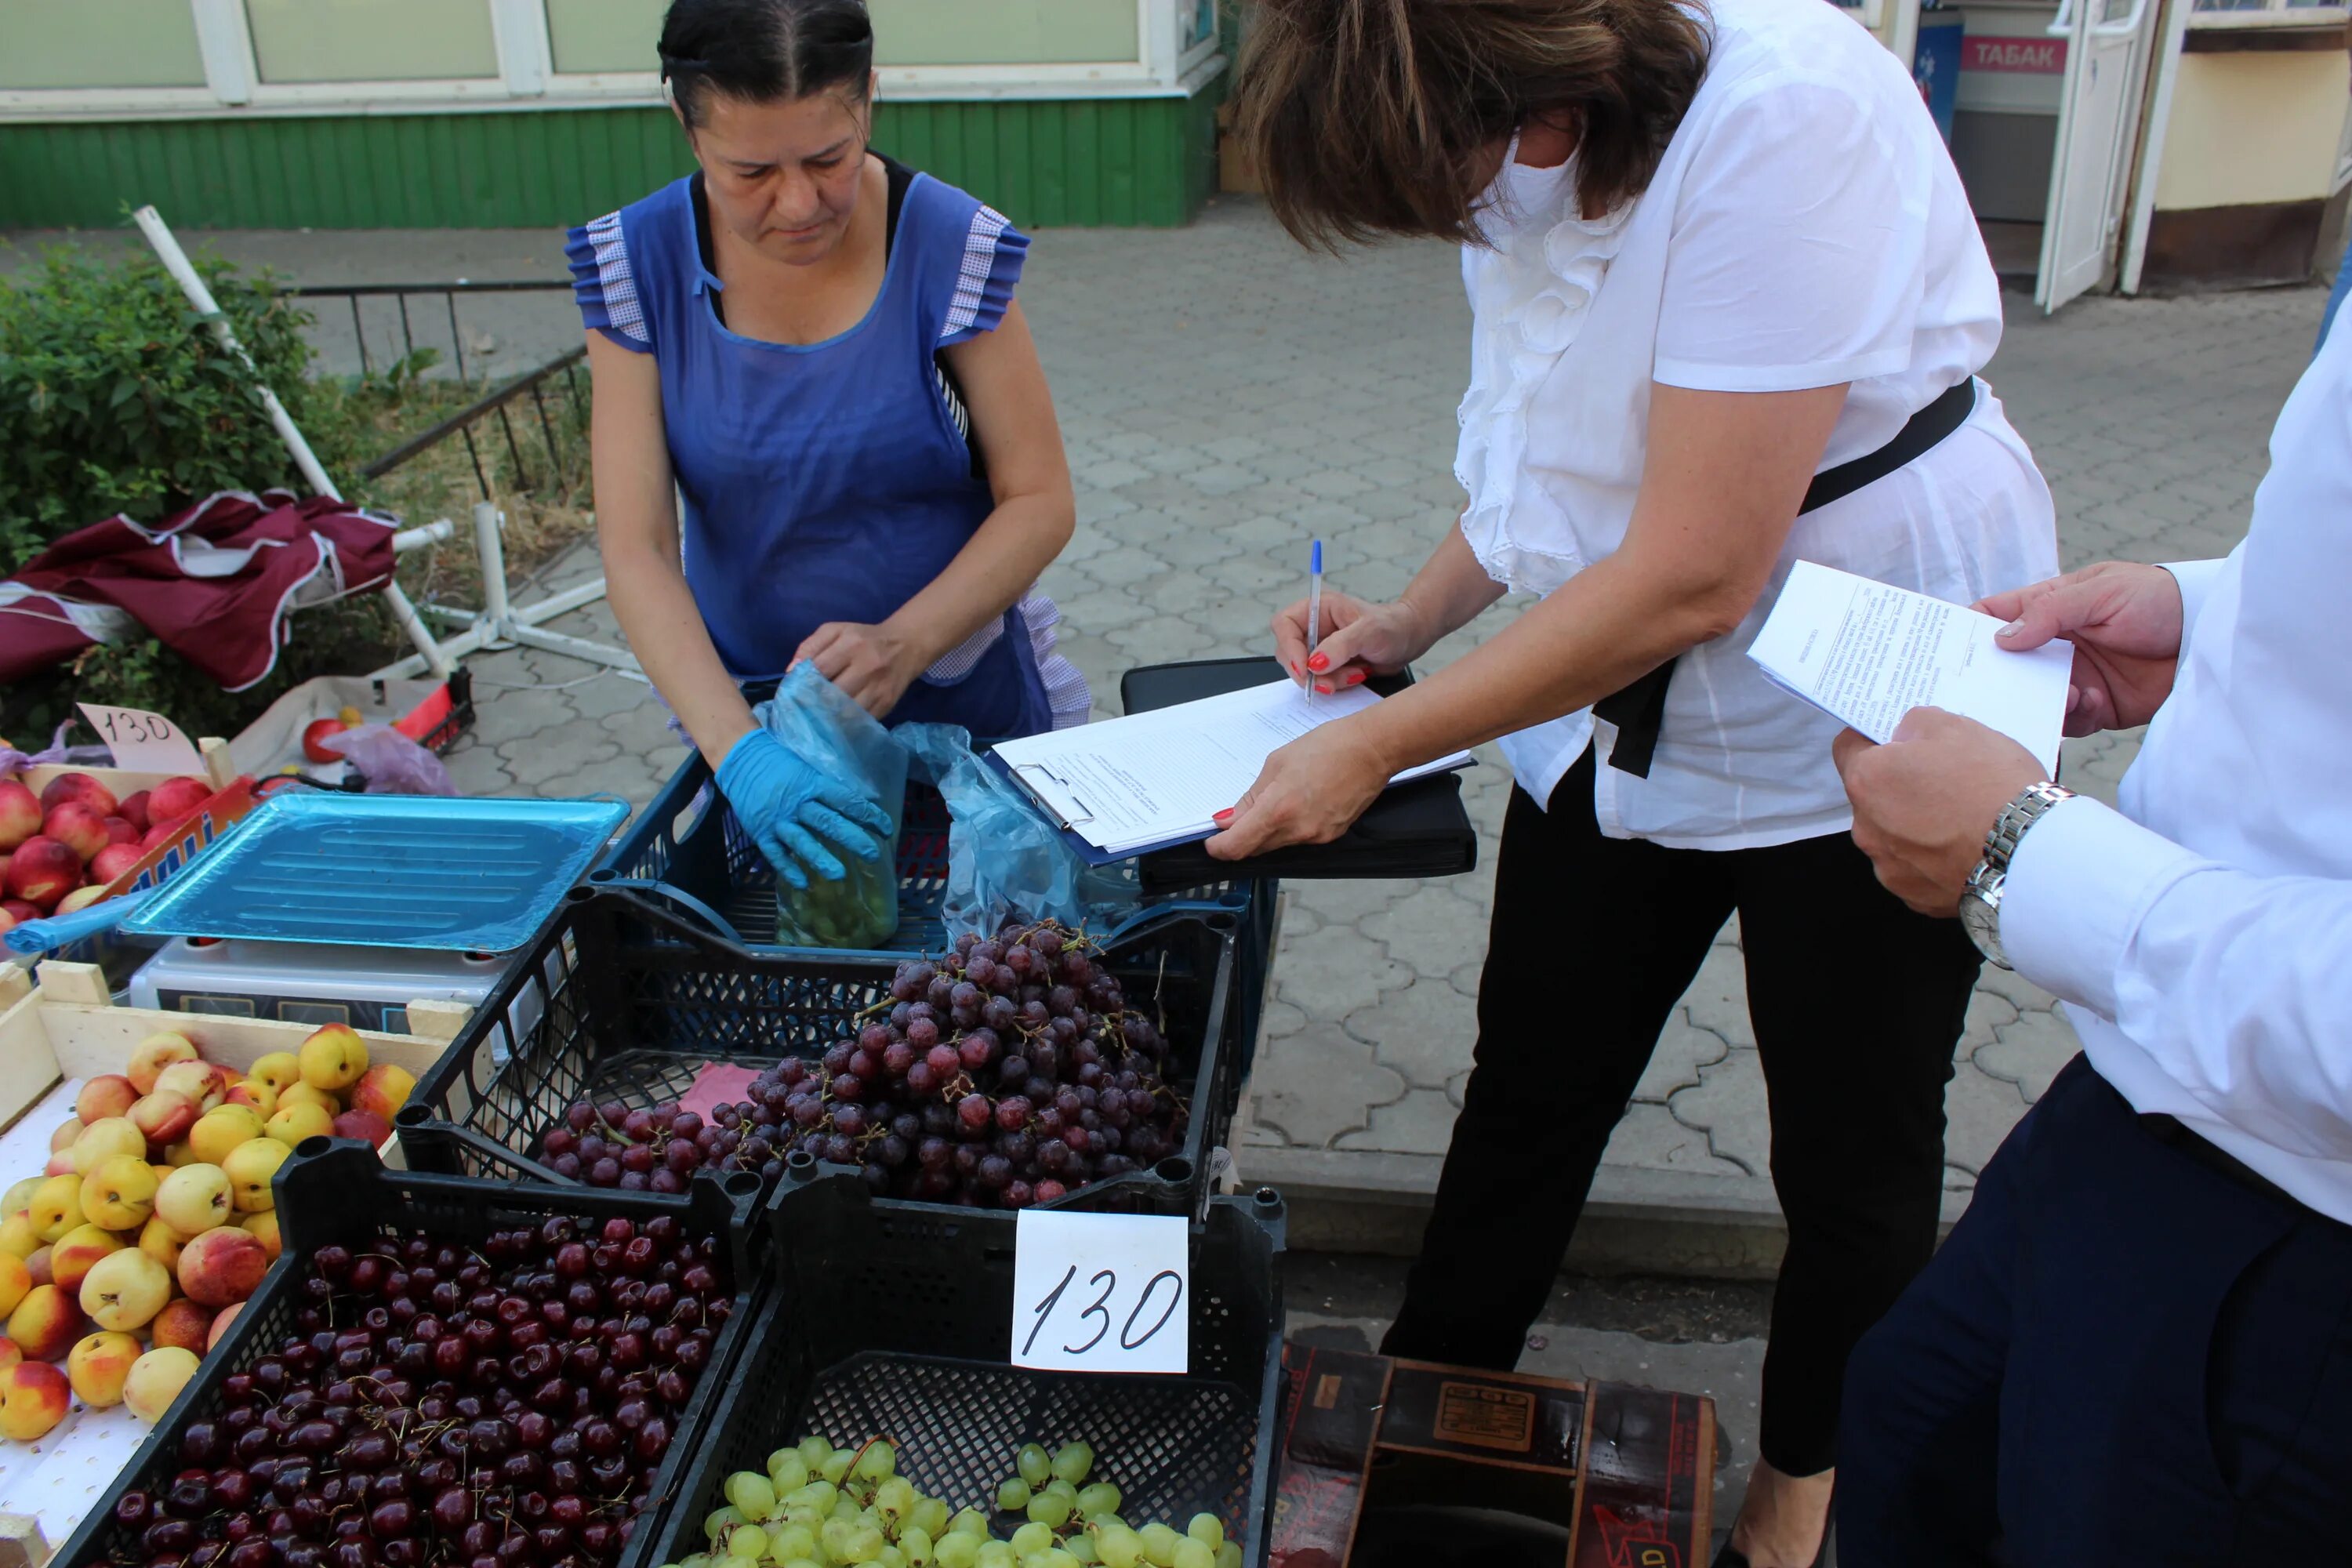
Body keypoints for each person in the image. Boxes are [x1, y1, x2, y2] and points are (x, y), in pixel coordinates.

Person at [1221, 2, 2056, 1561]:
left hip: (1864, 672)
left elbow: (1697, 563)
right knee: (1539, 1061)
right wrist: (1412, 622)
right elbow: (1566, 452)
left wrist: (1381, 741)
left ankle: (1805, 1480)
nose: (1466, 228)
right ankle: (1429, 1387)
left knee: (1855, 1130)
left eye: (1458, 187)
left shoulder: (1781, 114)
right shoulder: (1519, 137)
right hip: (1623, 671)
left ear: (1543, 101)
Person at [1831, 272, 2352, 1566]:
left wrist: (2025, 861)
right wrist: (2222, 617)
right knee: (1910, 1432)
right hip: (2151, 1091)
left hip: (2301, 1231)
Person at [573, 0, 1087, 887]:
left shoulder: (948, 243)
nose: (800, 202)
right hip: (773, 740)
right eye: (752, 172)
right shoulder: (641, 265)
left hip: (968, 717)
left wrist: (906, 641)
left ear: (870, 102)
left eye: (828, 157)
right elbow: (639, 545)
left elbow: (1039, 499)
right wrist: (740, 755)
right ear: (685, 127)